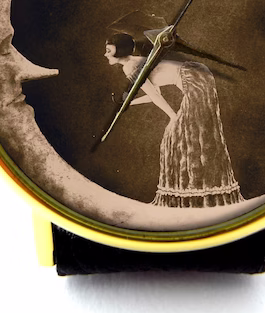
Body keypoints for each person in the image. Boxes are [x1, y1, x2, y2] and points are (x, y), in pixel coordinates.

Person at [104, 33, 244, 207]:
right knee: (188, 135)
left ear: (120, 50)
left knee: (183, 134)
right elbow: (155, 94)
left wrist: (173, 116)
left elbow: (155, 96)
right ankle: (201, 192)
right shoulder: (135, 62)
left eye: (108, 50)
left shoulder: (130, 67)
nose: (105, 54)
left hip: (193, 78)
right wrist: (129, 103)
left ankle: (198, 194)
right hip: (196, 74)